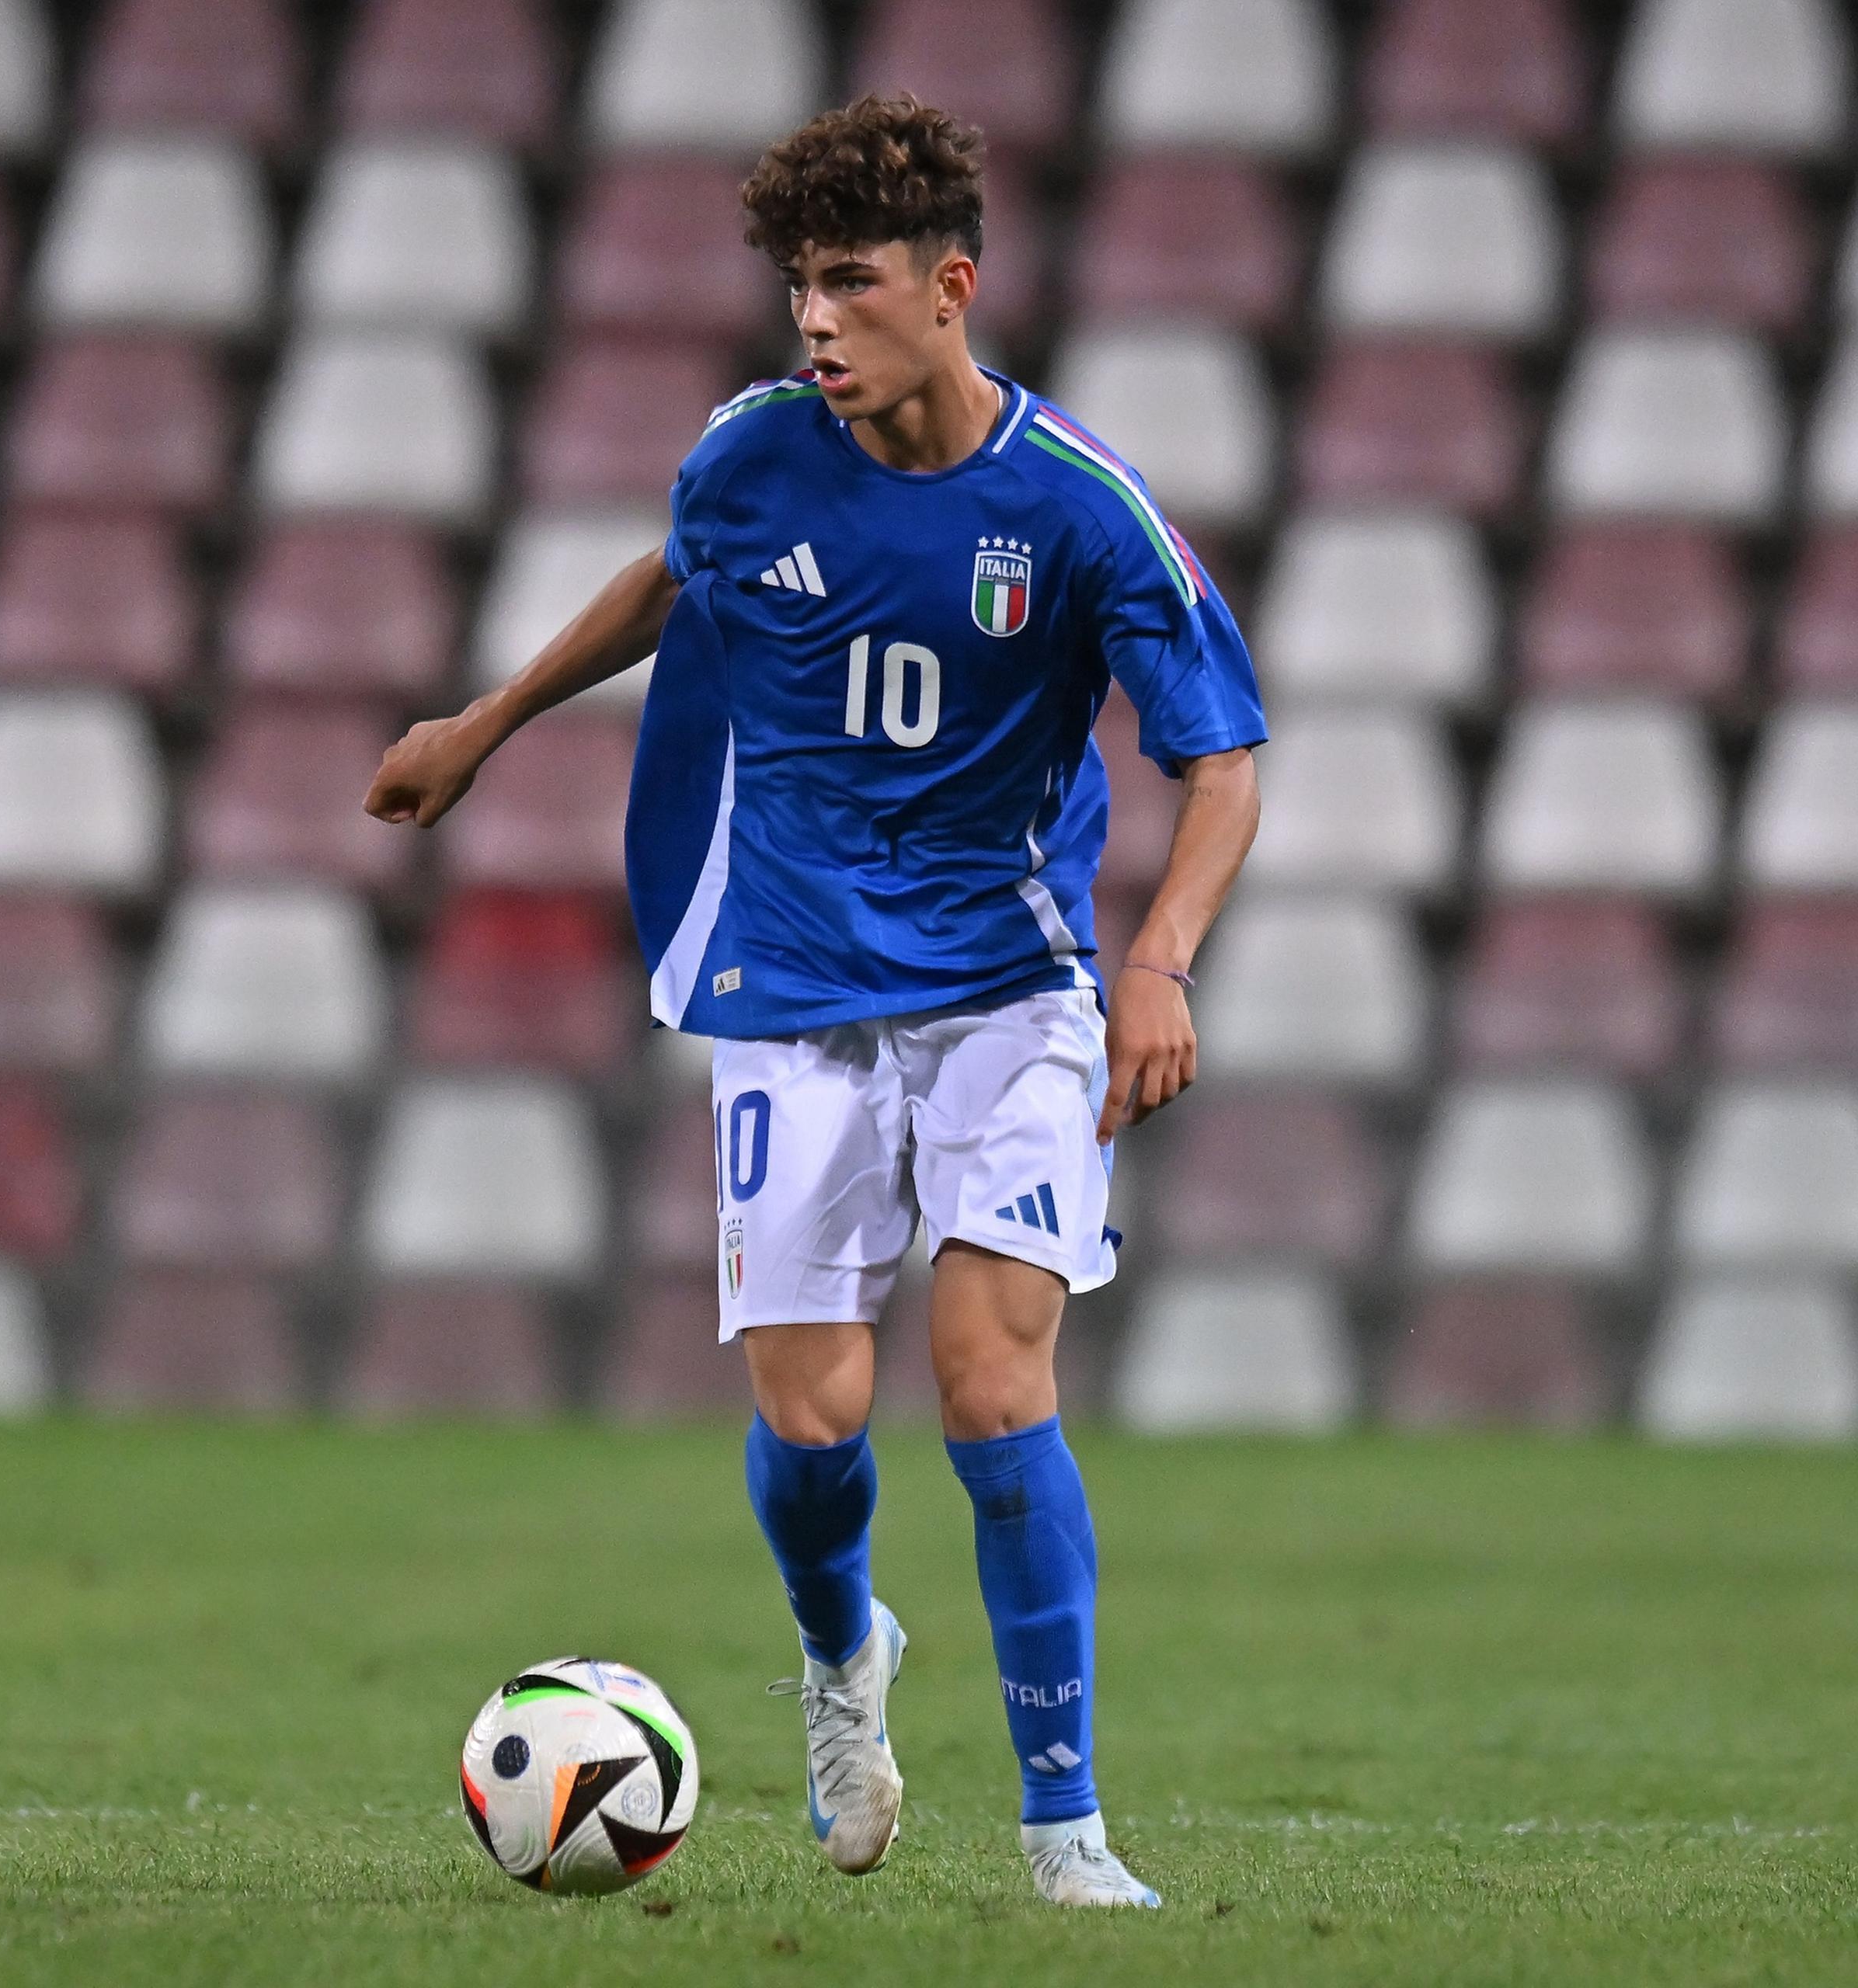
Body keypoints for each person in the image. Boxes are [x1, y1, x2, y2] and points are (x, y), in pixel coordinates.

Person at [364, 93, 1264, 1910]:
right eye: (798, 294)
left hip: (1015, 985)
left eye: (849, 288)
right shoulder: (754, 456)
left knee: (995, 1376)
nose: (817, 326)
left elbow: (1223, 757)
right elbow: (663, 583)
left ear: (954, 285)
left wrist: (1160, 955)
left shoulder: (1078, 510)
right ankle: (845, 1655)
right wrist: (482, 725)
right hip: (793, 984)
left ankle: (1066, 1829)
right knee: (812, 1413)